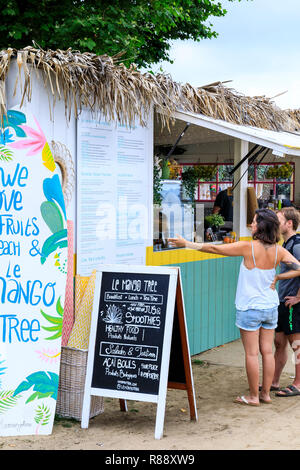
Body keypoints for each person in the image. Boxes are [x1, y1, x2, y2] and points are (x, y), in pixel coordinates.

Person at [168, 209, 300, 407]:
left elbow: (215, 249)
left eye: (254, 222)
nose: (251, 225)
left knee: (251, 353)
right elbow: (299, 267)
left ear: (261, 226)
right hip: (270, 306)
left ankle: (253, 396)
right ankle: (265, 394)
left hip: (250, 308)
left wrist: (187, 244)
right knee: (267, 351)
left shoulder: (248, 247)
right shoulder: (279, 250)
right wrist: (278, 277)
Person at [269, 207, 300, 397]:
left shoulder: (296, 245)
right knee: (279, 342)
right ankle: (274, 382)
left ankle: (298, 383)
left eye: (278, 220)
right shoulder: (286, 244)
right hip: (282, 301)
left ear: (289, 223)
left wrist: (298, 297)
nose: (275, 224)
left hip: (292, 303)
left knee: (296, 343)